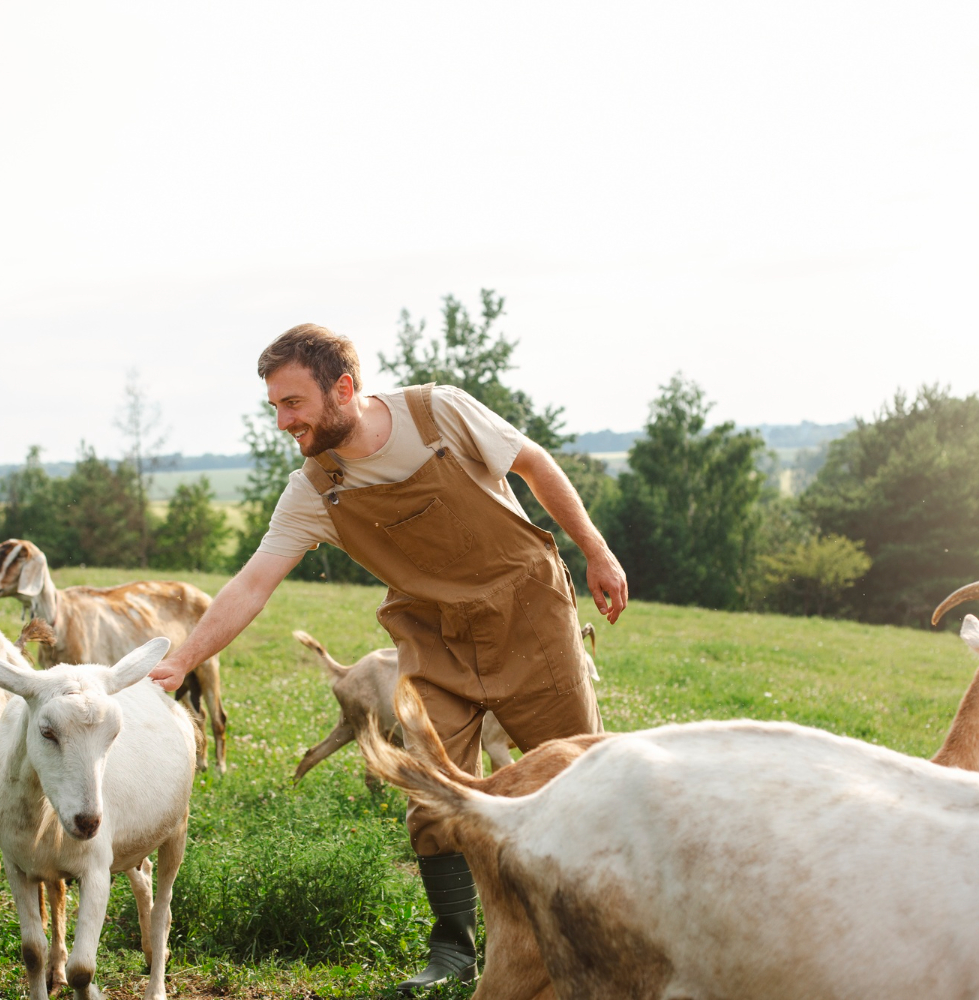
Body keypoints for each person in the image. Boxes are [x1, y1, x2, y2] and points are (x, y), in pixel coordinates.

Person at [149, 323, 628, 992]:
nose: (283, 422)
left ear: (343, 388)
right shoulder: (316, 488)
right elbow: (253, 583)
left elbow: (534, 464)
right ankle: (456, 950)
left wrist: (597, 551)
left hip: (528, 616)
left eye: (293, 403)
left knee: (579, 781)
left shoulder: (438, 413)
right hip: (434, 637)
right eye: (275, 408)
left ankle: (602, 935)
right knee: (431, 788)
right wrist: (181, 661)